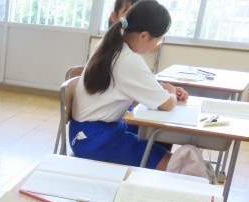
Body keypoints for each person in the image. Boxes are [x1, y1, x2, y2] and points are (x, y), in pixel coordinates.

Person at [70, 0, 188, 170]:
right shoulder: (128, 60)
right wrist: (170, 91)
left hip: (91, 131)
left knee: (152, 129)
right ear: (144, 36)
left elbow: (140, 82)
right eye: (159, 39)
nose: (157, 44)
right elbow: (168, 104)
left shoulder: (113, 43)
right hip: (95, 140)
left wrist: (164, 89)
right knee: (177, 165)